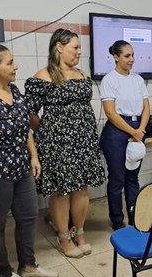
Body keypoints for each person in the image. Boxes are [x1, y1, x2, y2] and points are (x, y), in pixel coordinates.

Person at [0, 44, 58, 277]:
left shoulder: (14, 90)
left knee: (28, 216)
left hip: (21, 168)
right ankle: (2, 272)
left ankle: (28, 265)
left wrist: (34, 156)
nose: (16, 67)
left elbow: (26, 129)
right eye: (10, 63)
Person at [24, 28, 105, 258]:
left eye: (79, 48)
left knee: (81, 189)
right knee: (60, 191)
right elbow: (28, 111)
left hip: (84, 141)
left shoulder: (81, 74)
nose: (79, 52)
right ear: (59, 47)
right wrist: (47, 130)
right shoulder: (43, 76)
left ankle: (79, 233)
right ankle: (63, 237)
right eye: (75, 47)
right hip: (57, 144)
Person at [100, 40, 150, 230]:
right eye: (127, 56)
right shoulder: (109, 80)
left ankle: (134, 215)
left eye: (133, 55)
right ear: (116, 57)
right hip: (117, 131)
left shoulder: (137, 79)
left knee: (132, 177)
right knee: (117, 178)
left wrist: (140, 131)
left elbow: (146, 108)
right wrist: (133, 132)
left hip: (138, 128)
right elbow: (111, 113)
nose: (132, 59)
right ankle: (117, 221)